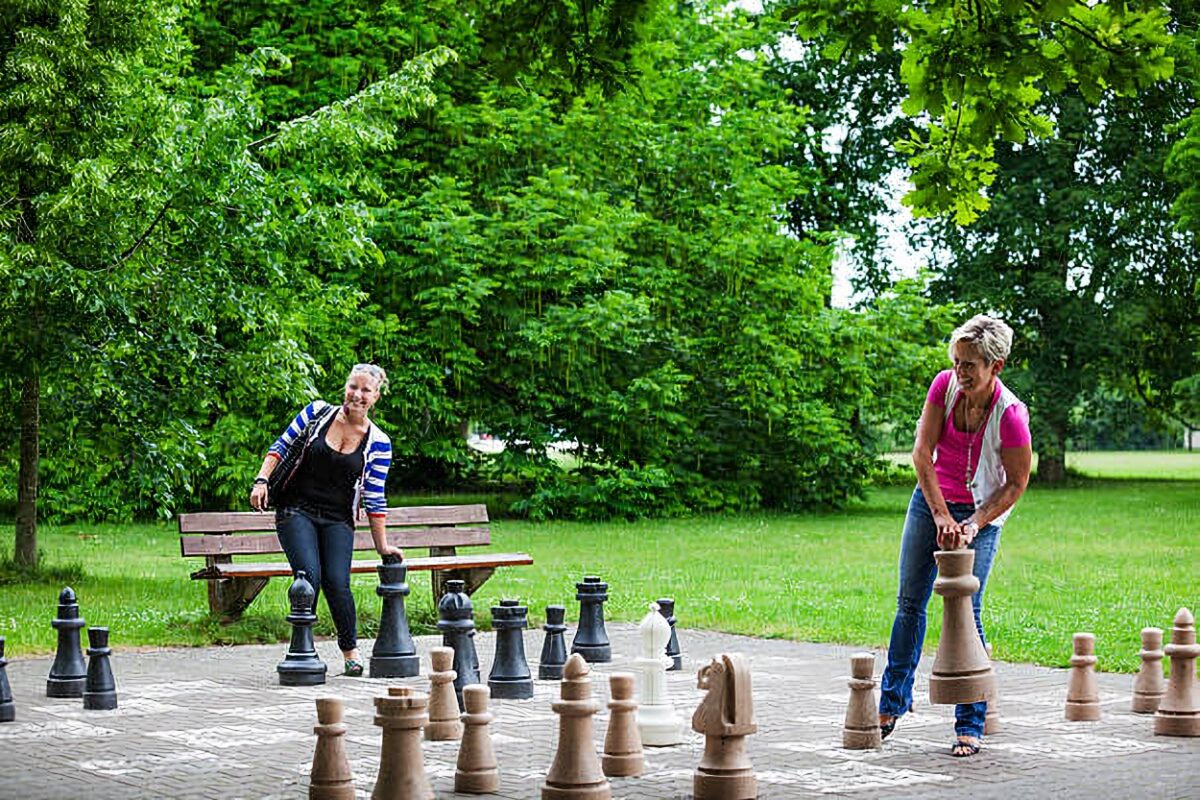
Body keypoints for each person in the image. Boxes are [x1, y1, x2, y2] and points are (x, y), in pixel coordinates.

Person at [878, 315, 1032, 757]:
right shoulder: (943, 387)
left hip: (983, 510)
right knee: (910, 602)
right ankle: (892, 704)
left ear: (995, 367)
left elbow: (1016, 483)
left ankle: (970, 722)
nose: (960, 373)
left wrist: (975, 523)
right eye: (957, 362)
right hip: (932, 501)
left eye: (970, 366)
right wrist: (942, 514)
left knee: (967, 606)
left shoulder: (1011, 416)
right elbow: (921, 454)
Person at [249, 363, 402, 676]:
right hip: (296, 509)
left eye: (365, 390)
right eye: (353, 387)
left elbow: (374, 498)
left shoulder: (379, 443)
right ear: (345, 387)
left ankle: (350, 652)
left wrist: (382, 545)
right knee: (309, 576)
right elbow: (281, 446)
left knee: (337, 582)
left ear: (376, 398)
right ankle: (302, 648)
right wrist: (261, 480)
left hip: (337, 518)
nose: (357, 395)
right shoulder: (317, 413)